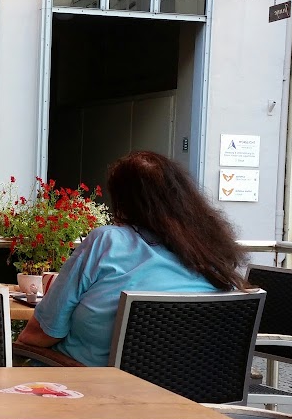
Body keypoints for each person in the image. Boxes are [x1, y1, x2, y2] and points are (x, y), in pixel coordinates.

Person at [16, 150, 247, 366]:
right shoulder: (212, 261)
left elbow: (42, 334)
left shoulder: (107, 243)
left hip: (87, 392)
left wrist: (17, 348)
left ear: (122, 201)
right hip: (184, 398)